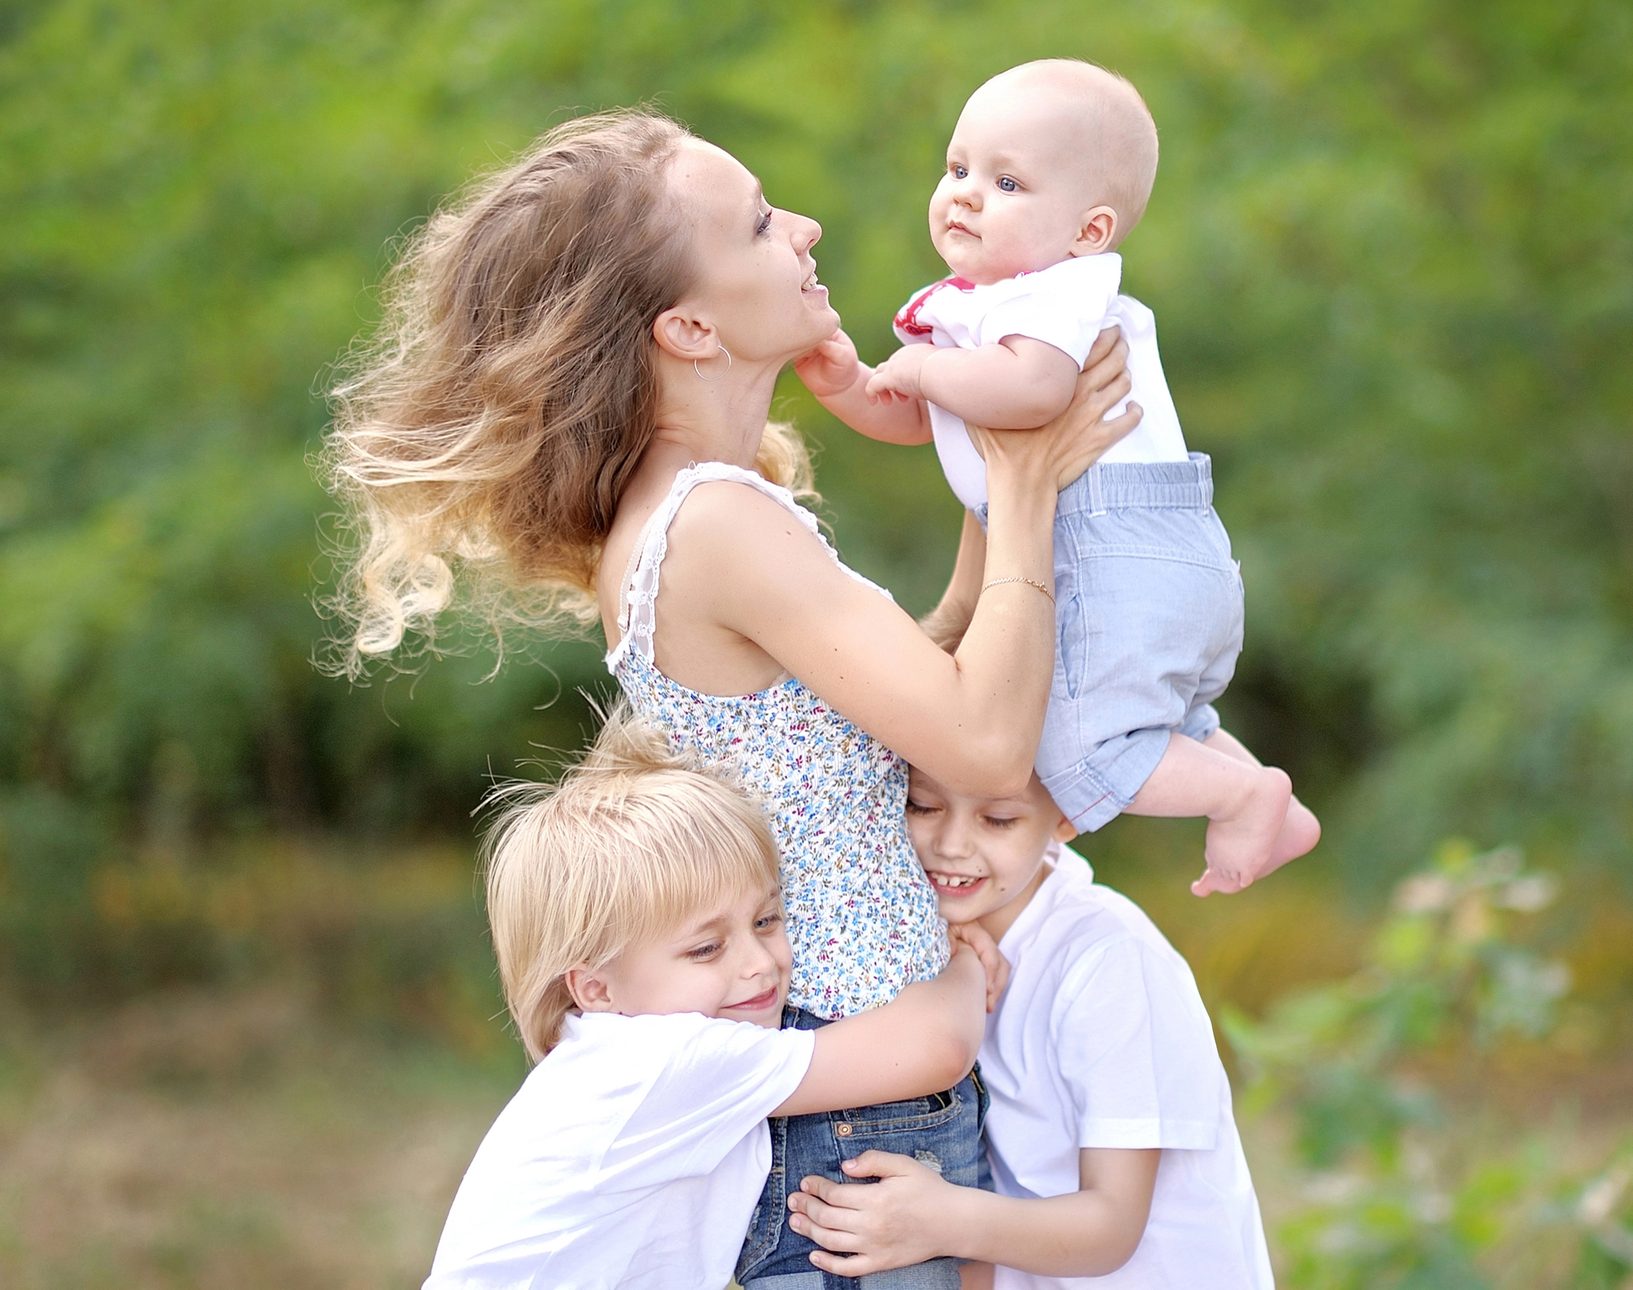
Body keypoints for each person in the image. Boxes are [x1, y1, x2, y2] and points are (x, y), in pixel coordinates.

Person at [325, 107, 1138, 1288]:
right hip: (853, 1106)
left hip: (853, 1093)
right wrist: (1021, 497)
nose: (804, 228)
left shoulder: (693, 508)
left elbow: (919, 689)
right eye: (760, 223)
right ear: (688, 325)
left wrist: (997, 468)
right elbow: (981, 742)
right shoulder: (714, 523)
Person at [804, 58, 1319, 898]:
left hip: (1108, 551)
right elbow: (937, 417)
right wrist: (855, 387)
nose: (967, 193)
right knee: (1163, 719)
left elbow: (1032, 392)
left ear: (1089, 230)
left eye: (1007, 181)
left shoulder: (1050, 297)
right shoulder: (992, 303)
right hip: (1159, 553)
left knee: (1074, 747)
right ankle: (1262, 792)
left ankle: (1242, 792)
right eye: (958, 167)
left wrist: (924, 372)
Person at [425, 711, 1000, 1290]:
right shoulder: (662, 1062)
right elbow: (937, 1046)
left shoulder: (607, 1059)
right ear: (597, 989)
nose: (758, 962)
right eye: (705, 949)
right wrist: (968, 960)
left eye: (767, 920)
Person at [782, 760, 1273, 1289]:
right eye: (922, 805)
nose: (951, 844)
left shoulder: (1109, 958)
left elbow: (1113, 1226)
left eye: (997, 819)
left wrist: (941, 1221)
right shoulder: (919, 948)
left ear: (1067, 815)